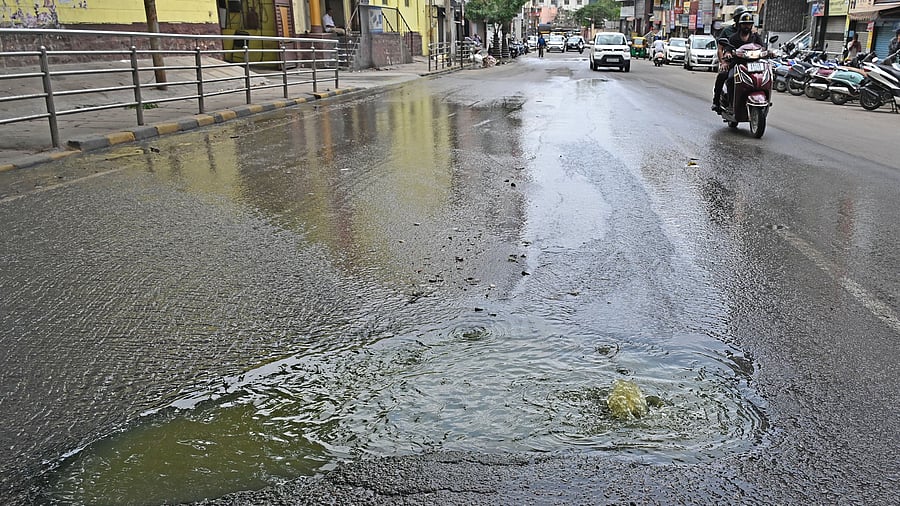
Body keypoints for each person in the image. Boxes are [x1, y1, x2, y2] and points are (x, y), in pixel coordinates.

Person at [722, 12, 765, 111]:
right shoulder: (733, 38)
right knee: (731, 79)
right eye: (744, 24)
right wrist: (728, 53)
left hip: (754, 65)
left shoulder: (755, 37)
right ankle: (731, 104)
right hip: (738, 64)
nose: (746, 26)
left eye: (749, 24)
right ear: (740, 25)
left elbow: (763, 47)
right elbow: (728, 48)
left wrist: (769, 52)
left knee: (763, 78)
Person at [712, 6, 746, 112]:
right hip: (732, 61)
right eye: (741, 18)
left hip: (748, 62)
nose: (745, 24)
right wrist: (723, 62)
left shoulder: (751, 33)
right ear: (736, 19)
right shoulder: (729, 32)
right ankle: (716, 101)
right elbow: (721, 48)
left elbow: (759, 47)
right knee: (724, 75)